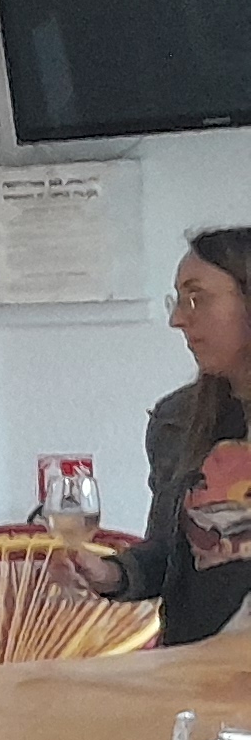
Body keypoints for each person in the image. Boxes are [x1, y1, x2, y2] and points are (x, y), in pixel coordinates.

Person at [62, 229, 251, 644]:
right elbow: (171, 553)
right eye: (178, 300)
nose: (178, 319)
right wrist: (112, 574)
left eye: (197, 297)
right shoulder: (177, 421)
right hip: (190, 666)